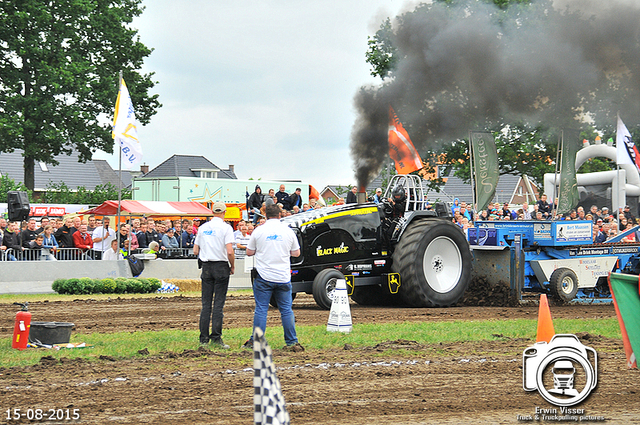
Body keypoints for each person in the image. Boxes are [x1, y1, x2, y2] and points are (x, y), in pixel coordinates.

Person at [244, 203, 303, 351]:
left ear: (265, 215)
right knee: (286, 310)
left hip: (264, 276)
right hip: (283, 276)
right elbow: (296, 253)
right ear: (280, 215)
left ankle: (256, 341)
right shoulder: (288, 231)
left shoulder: (259, 231)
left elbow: (249, 252)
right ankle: (292, 341)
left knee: (261, 309)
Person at [193, 201, 235, 349]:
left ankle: (203, 338)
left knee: (206, 305)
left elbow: (195, 251)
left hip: (206, 267)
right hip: (221, 266)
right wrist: (232, 266)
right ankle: (216, 338)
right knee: (218, 304)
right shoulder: (226, 228)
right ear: (224, 213)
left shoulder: (203, 228)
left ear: (212, 212)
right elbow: (229, 251)